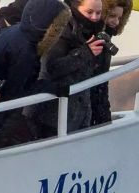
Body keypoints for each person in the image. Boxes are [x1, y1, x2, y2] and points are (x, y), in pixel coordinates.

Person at [0, 0, 70, 149]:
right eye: (58, 28)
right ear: (49, 28)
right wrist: (51, 87)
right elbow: (16, 92)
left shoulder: (16, 33)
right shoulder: (25, 50)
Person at [27, 0, 105, 138]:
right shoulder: (61, 28)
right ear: (75, 7)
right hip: (51, 117)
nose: (94, 17)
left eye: (98, 13)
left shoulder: (92, 32)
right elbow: (51, 67)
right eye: (89, 12)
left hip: (76, 116)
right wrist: (85, 52)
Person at [90, 0, 132, 127]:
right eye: (112, 16)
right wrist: (104, 118)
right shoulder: (96, 40)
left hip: (94, 108)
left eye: (120, 17)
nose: (116, 22)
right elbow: (98, 85)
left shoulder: (105, 39)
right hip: (91, 109)